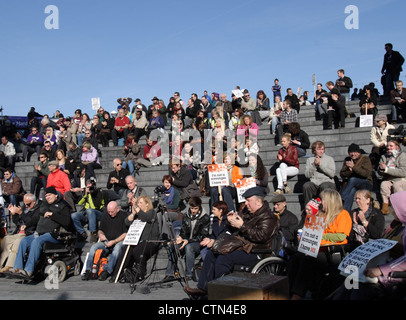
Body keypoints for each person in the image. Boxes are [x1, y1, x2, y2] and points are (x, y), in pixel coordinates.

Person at [184, 186, 280, 298]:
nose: (246, 204)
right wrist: (231, 220)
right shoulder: (247, 212)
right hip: (242, 246)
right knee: (212, 252)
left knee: (224, 258)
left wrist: (242, 226)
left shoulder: (268, 217)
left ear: (258, 201)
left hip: (256, 251)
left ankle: (219, 292)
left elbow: (260, 237)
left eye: (249, 201)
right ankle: (203, 288)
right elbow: (237, 226)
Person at [333, 190, 406, 300]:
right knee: (349, 282)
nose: (391, 209)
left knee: (359, 289)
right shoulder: (396, 226)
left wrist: (381, 270)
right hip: (381, 265)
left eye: (393, 206)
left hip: (393, 275)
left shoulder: (381, 217)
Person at [288, 189, 352, 300]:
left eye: (322, 200)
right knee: (296, 258)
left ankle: (297, 295)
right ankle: (288, 291)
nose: (321, 203)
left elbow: (341, 236)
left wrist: (320, 237)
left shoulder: (343, 214)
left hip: (331, 252)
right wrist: (305, 237)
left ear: (330, 201)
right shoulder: (321, 215)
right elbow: (312, 233)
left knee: (309, 260)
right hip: (317, 249)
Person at [9, 187, 74, 279]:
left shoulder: (63, 206)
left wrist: (53, 215)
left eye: (50, 195)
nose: (47, 197)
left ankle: (28, 270)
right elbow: (35, 219)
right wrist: (25, 224)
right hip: (40, 233)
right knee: (24, 241)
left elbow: (67, 222)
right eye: (46, 196)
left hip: (54, 234)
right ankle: (17, 268)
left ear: (56, 195)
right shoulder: (44, 205)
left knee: (37, 241)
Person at [111, 195, 160, 283]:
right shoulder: (138, 215)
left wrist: (137, 209)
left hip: (150, 241)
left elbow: (146, 218)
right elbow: (127, 222)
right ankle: (117, 273)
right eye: (138, 203)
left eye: (141, 203)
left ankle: (141, 272)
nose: (139, 205)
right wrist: (133, 213)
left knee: (137, 250)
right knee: (127, 249)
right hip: (138, 241)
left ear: (147, 204)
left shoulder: (151, 212)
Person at [163, 196, 210, 282]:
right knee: (174, 245)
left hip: (198, 242)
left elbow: (203, 236)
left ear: (199, 207)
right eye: (192, 208)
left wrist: (188, 240)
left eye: (195, 208)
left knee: (189, 247)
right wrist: (181, 238)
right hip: (187, 240)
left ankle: (189, 273)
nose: (193, 211)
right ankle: (170, 273)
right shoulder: (186, 216)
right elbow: (183, 231)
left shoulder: (205, 217)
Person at [81, 201, 128, 281]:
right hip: (106, 241)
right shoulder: (106, 215)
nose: (110, 213)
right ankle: (88, 270)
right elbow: (100, 230)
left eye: (112, 211)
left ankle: (106, 271)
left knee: (117, 249)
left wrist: (114, 241)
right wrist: (100, 234)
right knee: (93, 247)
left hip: (118, 241)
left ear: (117, 209)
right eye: (108, 211)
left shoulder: (123, 216)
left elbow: (125, 234)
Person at [0, 193, 40, 273]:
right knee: (6, 239)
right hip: (19, 232)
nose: (26, 206)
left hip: (28, 233)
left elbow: (31, 222)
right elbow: (17, 221)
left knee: (17, 242)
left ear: (34, 202)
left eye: (28, 204)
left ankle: (10, 265)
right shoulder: (25, 207)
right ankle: (1, 263)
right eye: (24, 203)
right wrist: (14, 213)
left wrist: (21, 213)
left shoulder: (37, 210)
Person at [340, 143, 373, 213]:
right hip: (353, 186)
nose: (353, 154)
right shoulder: (347, 159)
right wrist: (350, 171)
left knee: (353, 179)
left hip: (366, 183)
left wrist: (354, 167)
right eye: (351, 152)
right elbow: (342, 174)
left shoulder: (365, 159)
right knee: (352, 191)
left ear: (359, 152)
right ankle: (346, 212)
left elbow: (366, 174)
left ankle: (340, 198)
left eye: (355, 152)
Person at [303, 141, 336, 207]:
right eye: (319, 149)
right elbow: (307, 175)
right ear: (314, 150)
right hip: (315, 183)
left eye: (322, 149)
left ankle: (325, 208)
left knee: (324, 186)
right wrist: (314, 165)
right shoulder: (310, 160)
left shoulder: (329, 159)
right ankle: (308, 209)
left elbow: (332, 174)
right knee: (307, 186)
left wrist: (320, 164)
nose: (321, 151)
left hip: (327, 182)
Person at [71, 179, 105, 243]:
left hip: (98, 212)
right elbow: (79, 203)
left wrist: (91, 194)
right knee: (74, 215)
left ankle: (93, 233)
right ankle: (82, 232)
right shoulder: (86, 193)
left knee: (90, 210)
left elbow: (95, 206)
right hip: (87, 213)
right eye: (88, 187)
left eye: (90, 187)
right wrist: (86, 194)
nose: (89, 189)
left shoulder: (99, 191)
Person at [377, 139, 406, 214]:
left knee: (396, 185)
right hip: (389, 179)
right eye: (388, 146)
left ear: (396, 147)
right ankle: (385, 206)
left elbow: (403, 172)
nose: (388, 148)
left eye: (391, 146)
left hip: (401, 179)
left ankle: (401, 206)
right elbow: (379, 172)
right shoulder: (384, 156)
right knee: (384, 184)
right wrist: (381, 169)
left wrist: (386, 169)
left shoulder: (403, 156)